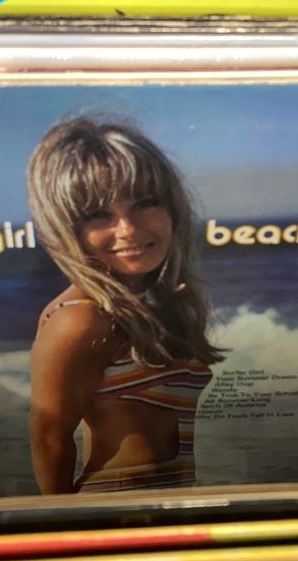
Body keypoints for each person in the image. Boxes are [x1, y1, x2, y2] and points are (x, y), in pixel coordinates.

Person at [26, 117, 225, 494]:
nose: (128, 229)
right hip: (118, 508)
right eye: (98, 215)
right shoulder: (80, 318)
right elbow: (49, 438)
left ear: (173, 207)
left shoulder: (151, 303)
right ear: (66, 226)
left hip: (166, 505)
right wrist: (62, 525)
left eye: (146, 204)